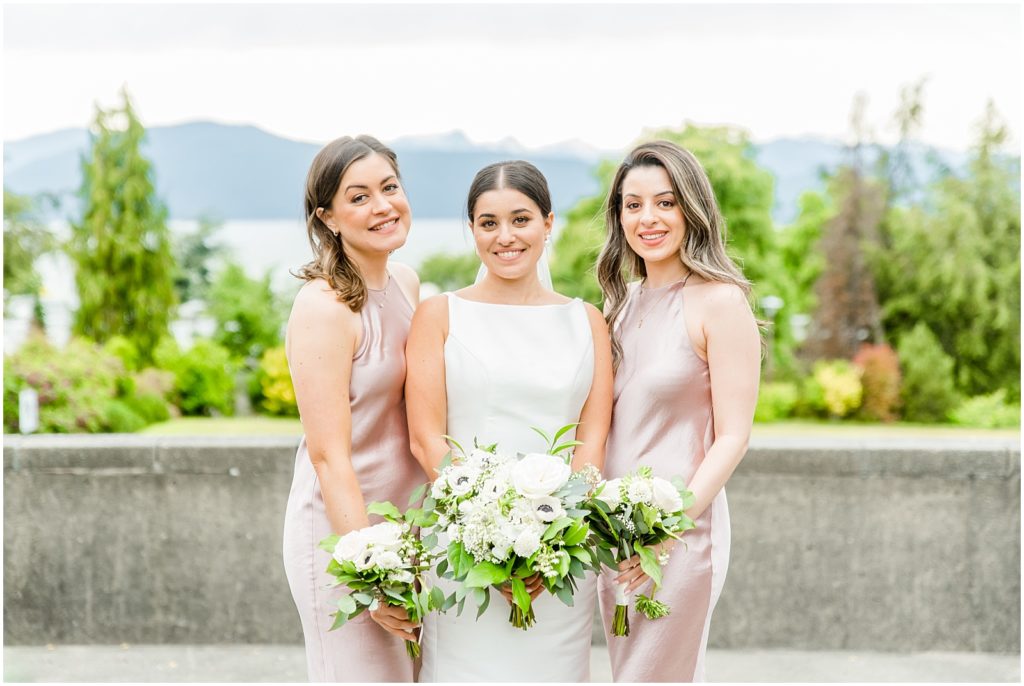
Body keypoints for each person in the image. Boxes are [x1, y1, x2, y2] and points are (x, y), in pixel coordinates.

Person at [406, 160, 614, 682]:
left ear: (549, 223)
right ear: (472, 230)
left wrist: (553, 537)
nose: (505, 237)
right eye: (488, 222)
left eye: (521, 220)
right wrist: (485, 536)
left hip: (560, 561)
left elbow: (591, 445)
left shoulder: (588, 322)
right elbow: (425, 439)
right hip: (462, 550)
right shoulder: (439, 315)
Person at [594, 140, 760, 682]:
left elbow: (733, 437)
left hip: (681, 536)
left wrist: (668, 531)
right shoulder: (617, 306)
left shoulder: (720, 301)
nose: (649, 218)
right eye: (633, 204)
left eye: (665, 203)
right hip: (613, 537)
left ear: (692, 208)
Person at [281, 135, 424, 682]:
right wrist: (371, 575)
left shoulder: (406, 283)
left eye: (389, 187)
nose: (383, 205)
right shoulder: (324, 307)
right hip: (346, 539)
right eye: (359, 197)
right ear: (329, 217)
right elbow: (327, 456)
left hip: (408, 532)